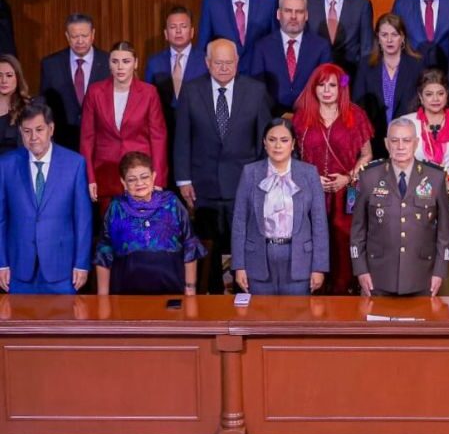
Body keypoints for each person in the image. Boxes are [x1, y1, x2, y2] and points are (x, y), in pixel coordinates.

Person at [174, 39, 273, 293]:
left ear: (237, 62)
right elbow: (182, 137)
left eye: (229, 62)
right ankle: (213, 296)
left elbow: (264, 140)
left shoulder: (255, 90)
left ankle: (244, 295)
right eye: (218, 63)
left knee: (242, 243)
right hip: (203, 185)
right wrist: (183, 180)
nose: (224, 68)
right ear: (207, 63)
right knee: (209, 246)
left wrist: (262, 179)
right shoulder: (191, 90)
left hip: (244, 183)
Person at [293, 63, 373, 295]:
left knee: (343, 245)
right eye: (321, 85)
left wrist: (348, 178)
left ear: (341, 88)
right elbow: (292, 156)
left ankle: (344, 293)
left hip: (345, 195)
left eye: (332, 85)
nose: (327, 90)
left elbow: (367, 155)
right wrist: (310, 178)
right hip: (311, 194)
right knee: (313, 242)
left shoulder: (355, 116)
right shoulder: (302, 117)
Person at [351, 117, 449, 296]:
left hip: (422, 276)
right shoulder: (369, 177)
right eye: (394, 140)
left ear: (416, 143)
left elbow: (444, 233)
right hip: (378, 276)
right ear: (386, 143)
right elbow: (358, 229)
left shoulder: (435, 177)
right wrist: (360, 269)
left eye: (406, 140)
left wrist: (440, 270)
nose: (400, 146)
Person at [0, 101, 92, 294]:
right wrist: (2, 263)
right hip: (18, 271)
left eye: (39, 130)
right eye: (27, 131)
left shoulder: (74, 164)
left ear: (51, 129)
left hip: (62, 270)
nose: (33, 138)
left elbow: (82, 219)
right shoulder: (6, 165)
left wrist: (81, 263)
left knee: (62, 323)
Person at [231, 118, 329, 295]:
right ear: (264, 143)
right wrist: (239, 266)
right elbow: (239, 222)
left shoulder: (309, 173)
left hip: (300, 261)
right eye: (272, 139)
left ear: (293, 144)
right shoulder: (250, 173)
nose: (278, 146)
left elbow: (320, 224)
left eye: (284, 140)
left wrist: (319, 267)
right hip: (258, 260)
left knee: (297, 319)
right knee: (260, 318)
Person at [401, 68, 449, 278]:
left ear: (447, 94)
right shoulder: (408, 123)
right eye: (429, 94)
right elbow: (399, 160)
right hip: (418, 190)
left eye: (440, 93)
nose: (435, 99)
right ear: (420, 96)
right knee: (418, 242)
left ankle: (448, 293)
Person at [94, 151, 204, 295]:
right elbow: (104, 252)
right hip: (124, 297)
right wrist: (103, 298)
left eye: (144, 177)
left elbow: (190, 245)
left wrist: (190, 290)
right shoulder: (116, 207)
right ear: (123, 182)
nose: (139, 183)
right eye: (132, 179)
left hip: (171, 293)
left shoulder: (171, 203)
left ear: (153, 177)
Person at [80, 41, 168, 216]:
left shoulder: (149, 92)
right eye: (115, 61)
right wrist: (89, 176)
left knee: (140, 230)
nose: (120, 67)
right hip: (105, 173)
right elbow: (87, 138)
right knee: (111, 230)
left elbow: (158, 138)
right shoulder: (95, 92)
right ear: (109, 63)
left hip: (140, 175)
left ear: (135, 63)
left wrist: (157, 179)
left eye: (126, 61)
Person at [249, 0, 333, 115]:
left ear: (306, 16)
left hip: (311, 117)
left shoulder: (321, 47)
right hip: (273, 118)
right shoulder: (262, 46)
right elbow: (257, 87)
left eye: (299, 12)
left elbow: (327, 83)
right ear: (278, 14)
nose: (293, 16)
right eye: (288, 11)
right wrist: (278, 114)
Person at [354, 13, 423, 159]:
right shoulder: (366, 65)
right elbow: (358, 105)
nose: (389, 40)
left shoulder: (417, 65)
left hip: (407, 140)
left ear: (402, 38)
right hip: (374, 141)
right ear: (378, 38)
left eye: (394, 34)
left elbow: (421, 104)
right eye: (384, 35)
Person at [197, 0, 278, 74]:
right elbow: (203, 47)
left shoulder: (269, 1)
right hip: (224, 76)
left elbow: (275, 43)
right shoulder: (211, 4)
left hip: (260, 77)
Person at [39, 13, 111, 150]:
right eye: (74, 36)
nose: (80, 41)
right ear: (67, 36)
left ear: (93, 34)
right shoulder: (50, 64)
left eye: (84, 36)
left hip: (101, 142)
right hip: (62, 143)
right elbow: (44, 106)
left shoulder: (109, 62)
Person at [308, 0, 375, 89]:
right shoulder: (308, 3)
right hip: (316, 79)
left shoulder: (361, 4)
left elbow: (366, 48)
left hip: (349, 78)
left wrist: (360, 84)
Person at [145, 6, 208, 109]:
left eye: (183, 26)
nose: (178, 31)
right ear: (166, 34)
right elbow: (148, 99)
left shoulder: (206, 60)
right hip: (165, 122)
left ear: (192, 32)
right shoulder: (154, 62)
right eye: (173, 27)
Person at [0, 54, 31, 155]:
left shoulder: (28, 109)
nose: (4, 80)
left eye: (9, 75)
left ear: (17, 78)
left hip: (17, 167)